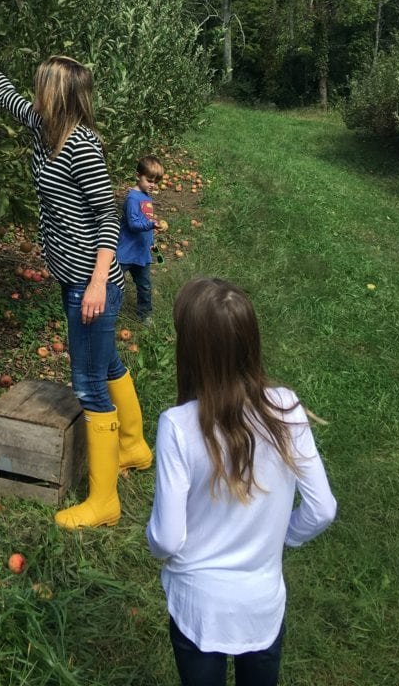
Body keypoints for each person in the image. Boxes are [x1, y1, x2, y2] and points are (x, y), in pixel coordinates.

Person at [0, 24, 152, 529]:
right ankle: (134, 447)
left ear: (57, 95)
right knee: (106, 365)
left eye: (42, 86)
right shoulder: (43, 128)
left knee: (87, 383)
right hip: (72, 273)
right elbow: (4, 92)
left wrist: (99, 283)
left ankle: (104, 500)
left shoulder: (82, 146)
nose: (34, 93)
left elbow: (107, 215)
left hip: (91, 277)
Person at [146, 277, 337, 686]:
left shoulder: (178, 426)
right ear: (251, 342)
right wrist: (285, 536)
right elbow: (323, 508)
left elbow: (165, 539)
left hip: (198, 607)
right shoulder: (286, 408)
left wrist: (151, 539)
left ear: (190, 352)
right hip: (262, 605)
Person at [117, 154, 164, 323]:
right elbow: (133, 225)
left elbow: (144, 221)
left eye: (155, 182)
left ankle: (144, 315)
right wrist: (151, 224)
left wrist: (150, 241)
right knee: (114, 285)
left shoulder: (146, 196)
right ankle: (110, 313)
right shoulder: (132, 198)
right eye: (149, 180)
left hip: (141, 251)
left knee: (144, 286)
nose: (152, 185)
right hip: (126, 252)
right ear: (138, 176)